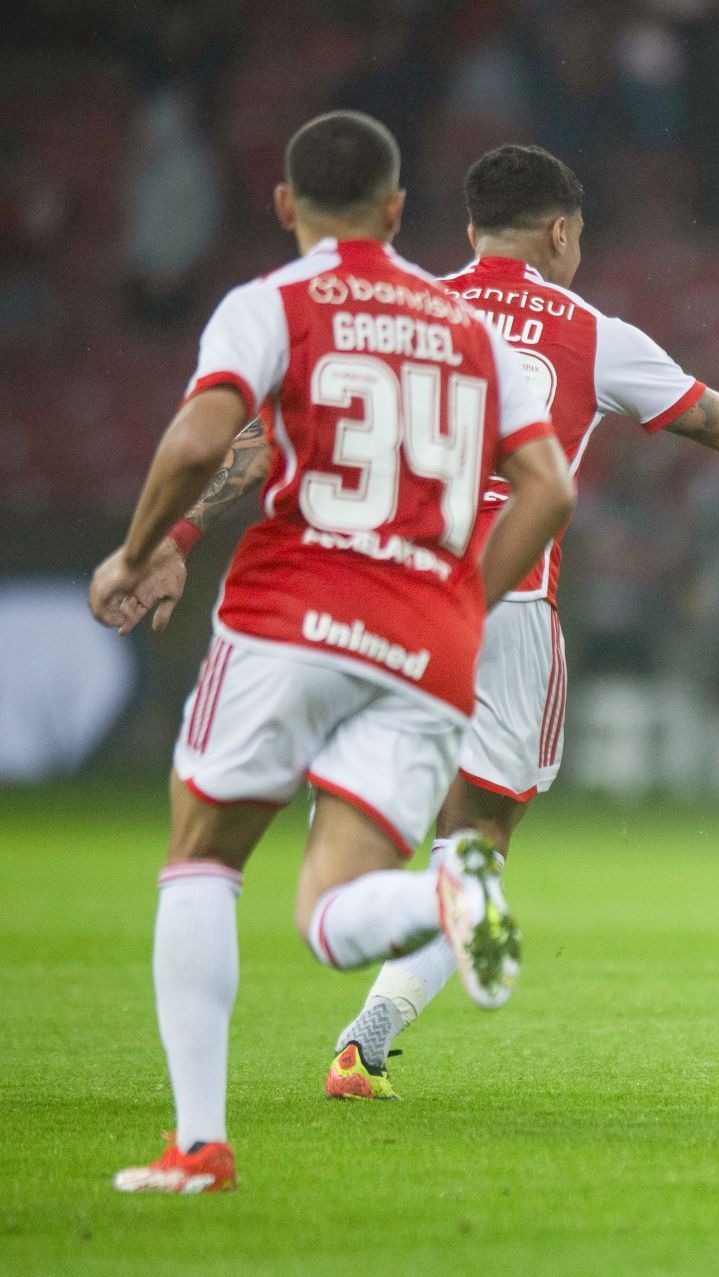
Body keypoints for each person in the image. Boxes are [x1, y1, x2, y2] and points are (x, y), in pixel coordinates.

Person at [119, 143, 719, 1100]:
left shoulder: (405, 311)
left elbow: (260, 437)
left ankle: (351, 1021)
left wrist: (177, 532)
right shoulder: (593, 332)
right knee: (476, 846)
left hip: (370, 605)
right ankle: (370, 1036)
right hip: (505, 612)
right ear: (561, 232)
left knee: (339, 862)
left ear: (466, 229)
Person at [90, 111, 576, 1192]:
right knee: (331, 910)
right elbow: (549, 486)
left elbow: (205, 435)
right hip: (425, 644)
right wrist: (460, 592)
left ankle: (200, 1143)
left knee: (204, 856)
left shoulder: (273, 304)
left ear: (283, 206)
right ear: (399, 212)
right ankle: (443, 893)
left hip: (289, 614)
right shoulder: (469, 329)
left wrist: (141, 552)